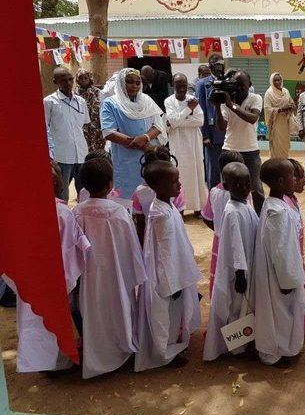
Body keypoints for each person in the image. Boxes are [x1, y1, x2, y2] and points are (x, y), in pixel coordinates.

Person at [12, 161, 88, 373]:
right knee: (59, 317)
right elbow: (75, 246)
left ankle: (39, 361)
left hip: (33, 280)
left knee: (34, 318)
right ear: (59, 187)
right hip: (59, 279)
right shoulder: (63, 213)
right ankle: (59, 361)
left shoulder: (23, 211)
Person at [73, 156, 146, 378]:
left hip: (89, 277)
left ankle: (96, 357)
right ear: (110, 185)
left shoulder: (77, 212)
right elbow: (131, 249)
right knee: (119, 311)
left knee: (93, 313)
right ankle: (121, 350)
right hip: (116, 277)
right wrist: (135, 273)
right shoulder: (118, 213)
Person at [135, 160, 201, 371]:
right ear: (158, 187)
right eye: (174, 182)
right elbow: (164, 255)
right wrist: (172, 284)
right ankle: (163, 354)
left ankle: (172, 346)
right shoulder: (160, 214)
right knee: (162, 315)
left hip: (174, 274)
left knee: (173, 316)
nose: (179, 185)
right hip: (165, 278)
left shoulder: (167, 206)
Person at [252, 159, 305, 366]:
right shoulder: (279, 212)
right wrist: (288, 280)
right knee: (280, 313)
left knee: (280, 312)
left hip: (278, 273)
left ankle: (282, 347)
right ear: (282, 181)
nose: (296, 179)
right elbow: (282, 252)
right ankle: (275, 351)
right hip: (280, 276)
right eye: (293, 176)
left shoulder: (275, 204)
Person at [203, 162, 258, 361]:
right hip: (238, 272)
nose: (244, 189)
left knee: (245, 308)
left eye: (246, 184)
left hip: (249, 266)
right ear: (226, 187)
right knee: (236, 308)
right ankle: (237, 349)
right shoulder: (232, 211)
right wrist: (240, 273)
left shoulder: (246, 205)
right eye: (237, 185)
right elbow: (234, 246)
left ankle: (245, 342)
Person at [100, 68, 168, 199]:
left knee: (149, 196)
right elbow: (109, 132)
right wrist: (142, 145)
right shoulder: (110, 103)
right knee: (127, 198)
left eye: (138, 83)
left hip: (149, 157)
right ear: (121, 83)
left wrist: (145, 137)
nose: (134, 86)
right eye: (129, 82)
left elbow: (158, 125)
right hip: (126, 158)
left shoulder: (146, 100)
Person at [202, 150, 252, 296]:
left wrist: (220, 229)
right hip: (242, 242)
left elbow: (207, 218)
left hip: (220, 241)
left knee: (221, 276)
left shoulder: (213, 191)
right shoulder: (244, 194)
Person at [215, 70, 265, 197]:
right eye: (236, 84)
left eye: (243, 84)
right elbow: (221, 127)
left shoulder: (256, 98)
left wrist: (232, 106)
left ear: (250, 84)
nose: (240, 87)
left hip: (250, 150)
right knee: (228, 188)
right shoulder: (226, 100)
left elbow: (253, 118)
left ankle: (259, 216)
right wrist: (217, 108)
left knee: (256, 188)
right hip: (229, 150)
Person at [44, 67, 90, 202]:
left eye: (70, 79)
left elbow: (84, 126)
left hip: (81, 154)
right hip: (61, 157)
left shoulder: (81, 102)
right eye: (63, 81)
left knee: (84, 195)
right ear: (55, 82)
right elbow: (45, 129)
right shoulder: (49, 102)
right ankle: (64, 221)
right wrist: (50, 156)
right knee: (62, 195)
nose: (68, 83)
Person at [165, 73, 208, 215]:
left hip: (194, 145)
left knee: (197, 175)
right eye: (179, 85)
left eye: (184, 85)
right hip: (177, 146)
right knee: (179, 176)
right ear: (173, 85)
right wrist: (189, 110)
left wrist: (177, 122)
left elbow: (199, 121)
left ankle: (197, 208)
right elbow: (173, 121)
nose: (182, 88)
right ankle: (180, 208)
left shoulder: (193, 100)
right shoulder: (169, 101)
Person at [132, 147, 186, 244]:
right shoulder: (177, 191)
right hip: (173, 241)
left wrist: (142, 247)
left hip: (149, 241)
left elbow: (140, 224)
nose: (178, 184)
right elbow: (180, 220)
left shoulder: (139, 192)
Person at [284, 158, 305, 329]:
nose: (304, 181)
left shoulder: (293, 200)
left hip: (297, 261)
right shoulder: (283, 209)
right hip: (290, 264)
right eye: (301, 177)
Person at [197, 55, 227, 189]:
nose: (220, 67)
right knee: (213, 171)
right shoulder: (203, 83)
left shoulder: (228, 81)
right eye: (216, 64)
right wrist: (205, 136)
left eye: (222, 64)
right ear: (210, 66)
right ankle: (213, 201)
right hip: (212, 135)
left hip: (229, 134)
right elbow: (201, 110)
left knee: (228, 170)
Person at [264, 72, 296, 159]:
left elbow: (291, 102)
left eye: (279, 80)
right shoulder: (269, 93)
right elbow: (267, 109)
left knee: (284, 144)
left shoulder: (286, 91)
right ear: (271, 81)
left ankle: (284, 163)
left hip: (285, 123)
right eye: (275, 80)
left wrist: (291, 107)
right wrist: (281, 109)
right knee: (276, 145)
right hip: (275, 124)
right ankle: (275, 165)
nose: (277, 82)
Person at [75, 68, 105, 152]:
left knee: (98, 149)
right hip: (82, 126)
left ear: (89, 78)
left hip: (96, 125)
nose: (83, 80)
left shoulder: (97, 92)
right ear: (77, 80)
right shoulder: (75, 94)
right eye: (81, 78)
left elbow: (102, 107)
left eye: (85, 78)